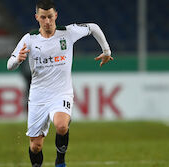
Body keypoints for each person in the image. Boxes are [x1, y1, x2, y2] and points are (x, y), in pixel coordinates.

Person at [7, 0, 113, 166]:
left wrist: (106, 51)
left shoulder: (68, 33)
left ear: (56, 15)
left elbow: (93, 27)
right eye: (43, 17)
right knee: (36, 146)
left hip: (61, 93)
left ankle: (60, 161)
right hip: (38, 97)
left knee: (62, 126)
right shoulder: (30, 39)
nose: (47, 21)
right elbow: (9, 64)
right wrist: (17, 61)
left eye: (50, 16)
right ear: (37, 17)